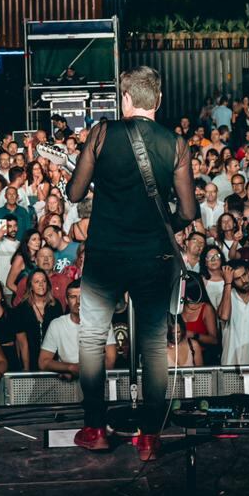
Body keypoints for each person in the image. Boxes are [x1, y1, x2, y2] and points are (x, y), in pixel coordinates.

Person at [59, 66, 199, 460]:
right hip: (152, 256)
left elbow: (74, 193)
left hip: (105, 254)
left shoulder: (103, 133)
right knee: (154, 346)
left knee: (92, 338)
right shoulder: (176, 144)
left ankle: (94, 429)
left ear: (125, 98)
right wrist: (160, 224)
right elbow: (188, 210)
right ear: (158, 100)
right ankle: (150, 438)